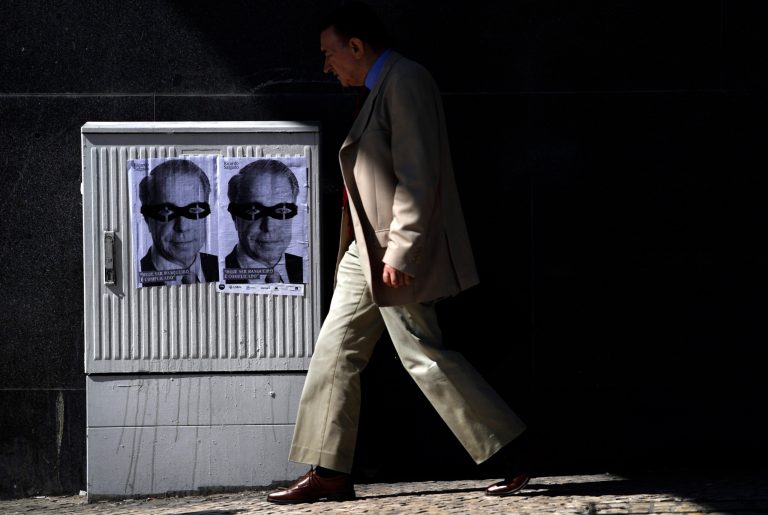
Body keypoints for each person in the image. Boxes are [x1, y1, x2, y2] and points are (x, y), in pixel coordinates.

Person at [266, 1, 531, 504]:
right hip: (365, 250)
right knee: (334, 351)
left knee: (421, 353)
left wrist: (402, 253)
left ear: (357, 46)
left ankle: (513, 450)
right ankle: (330, 471)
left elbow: (419, 174)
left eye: (330, 54)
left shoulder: (405, 82)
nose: (326, 66)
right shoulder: (380, 89)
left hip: (391, 251)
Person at [138, 159, 218, 286]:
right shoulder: (134, 274)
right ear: (148, 219)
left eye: (194, 210)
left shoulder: (221, 266)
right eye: (167, 211)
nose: (182, 227)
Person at [223, 159, 304, 284]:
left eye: (282, 211)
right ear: (234, 216)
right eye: (254, 211)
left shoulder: (305, 267)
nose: (269, 227)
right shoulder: (213, 273)